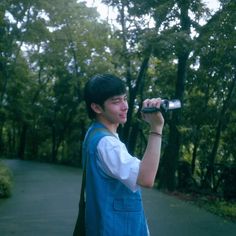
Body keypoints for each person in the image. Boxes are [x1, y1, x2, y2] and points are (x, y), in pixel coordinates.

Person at [82, 74, 164, 236]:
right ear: (97, 107)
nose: (125, 106)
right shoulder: (107, 144)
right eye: (116, 101)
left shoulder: (94, 133)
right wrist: (156, 128)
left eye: (124, 99)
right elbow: (146, 178)